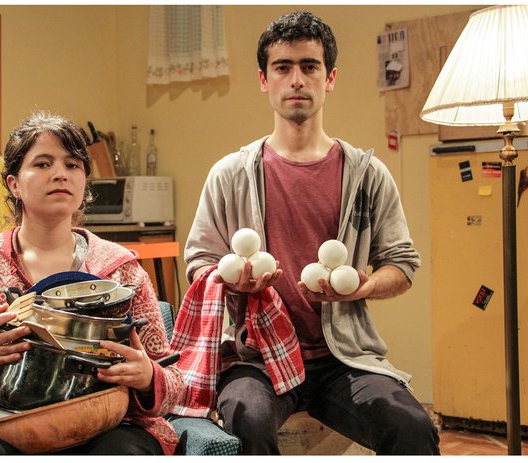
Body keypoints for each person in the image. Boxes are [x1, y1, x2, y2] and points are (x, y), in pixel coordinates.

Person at [181, 11, 440, 455]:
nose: (296, 80)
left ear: (330, 78)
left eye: (309, 66)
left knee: (412, 427)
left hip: (344, 360)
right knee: (247, 419)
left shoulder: (367, 175)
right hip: (256, 359)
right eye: (283, 67)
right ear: (264, 80)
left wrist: (362, 287)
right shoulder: (230, 174)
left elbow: (402, 264)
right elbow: (200, 261)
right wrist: (233, 282)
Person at [0, 112, 184, 455]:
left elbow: (175, 384)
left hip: (104, 422)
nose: (60, 174)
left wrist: (147, 377)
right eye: (42, 164)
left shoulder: (122, 269)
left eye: (72, 165)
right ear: (14, 184)